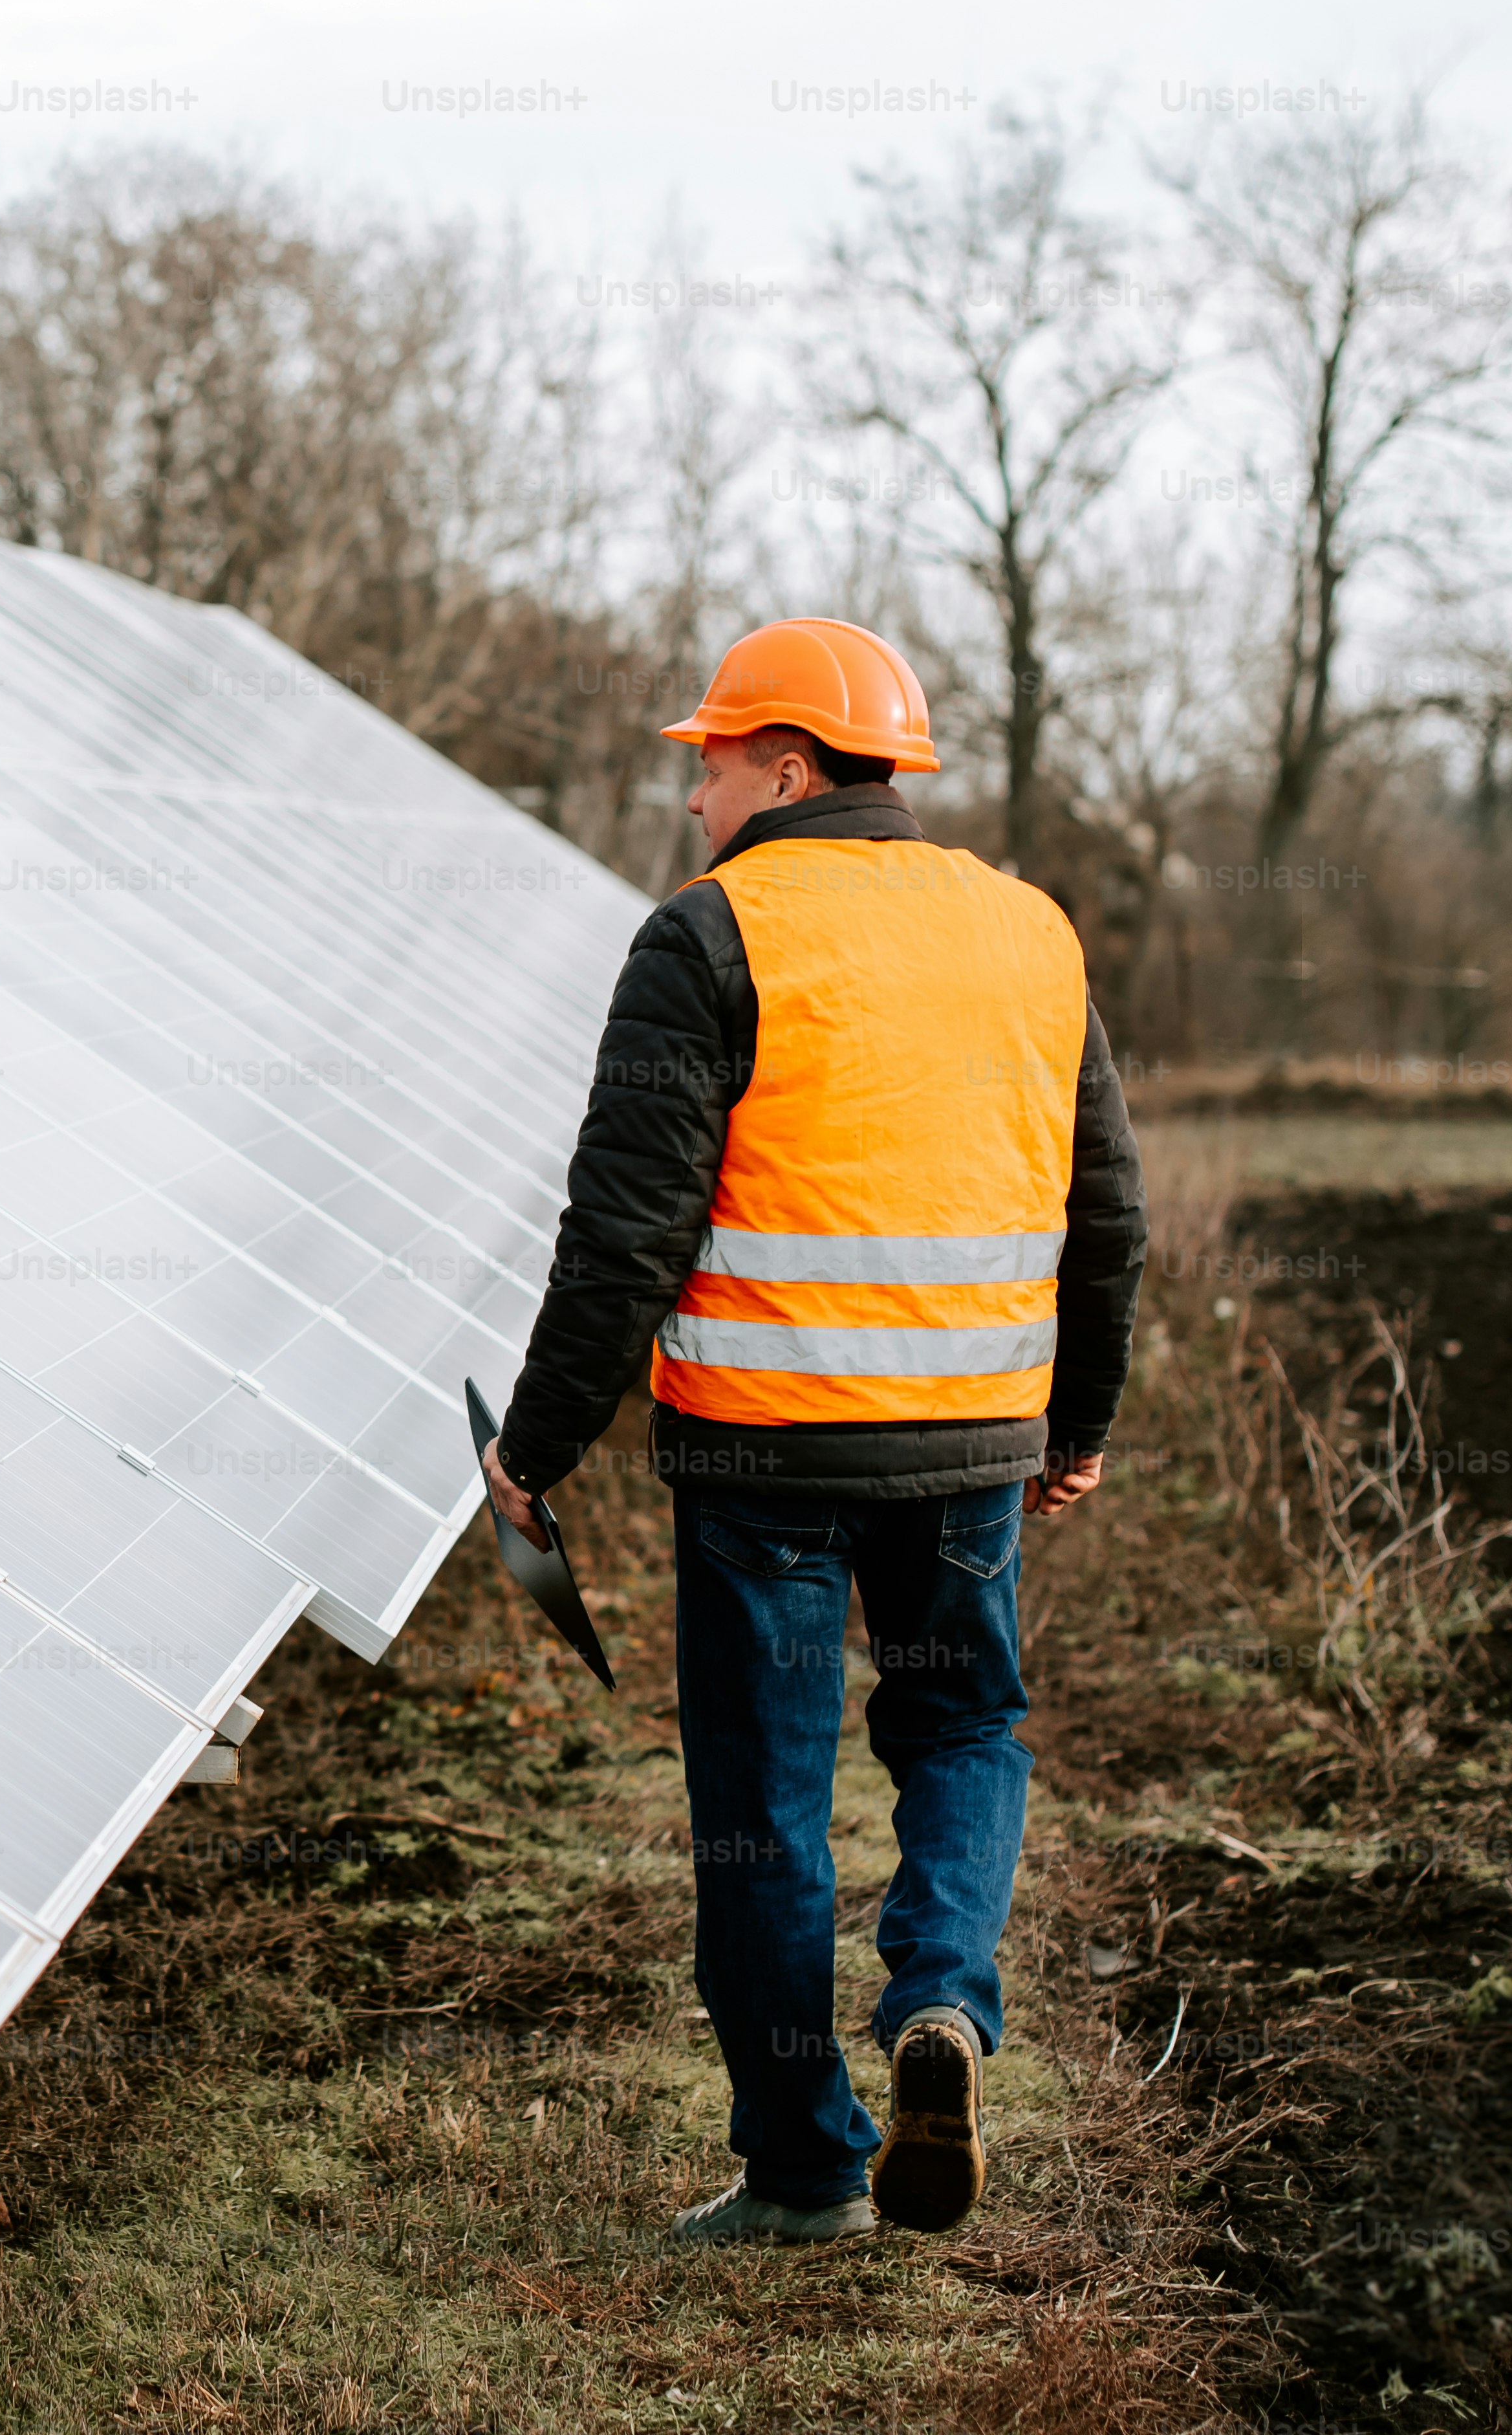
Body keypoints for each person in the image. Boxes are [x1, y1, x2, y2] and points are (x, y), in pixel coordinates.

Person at [480, 618, 1145, 2243]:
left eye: (707, 761)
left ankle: (801, 2169)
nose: (692, 794)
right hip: (971, 1444)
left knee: (761, 1809)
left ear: (785, 765)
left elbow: (620, 1238)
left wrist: (535, 1448)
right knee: (964, 1732)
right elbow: (1106, 1214)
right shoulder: (1028, 932)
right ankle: (941, 2005)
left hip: (763, 1459)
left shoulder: (704, 938)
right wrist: (1073, 1421)